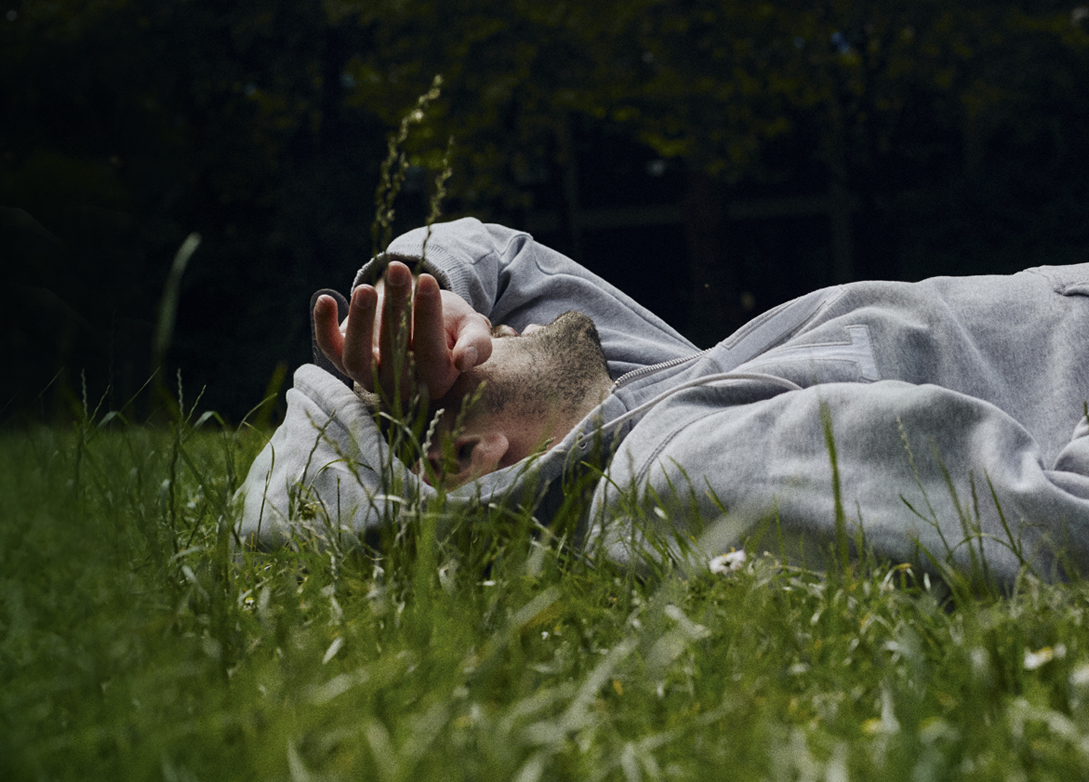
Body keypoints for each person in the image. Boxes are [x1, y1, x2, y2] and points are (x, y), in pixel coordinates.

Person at [236, 218, 1089, 589]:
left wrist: (422, 292)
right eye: (425, 380)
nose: (492, 319)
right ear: (463, 459)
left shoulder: (640, 391)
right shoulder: (679, 468)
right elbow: (1055, 536)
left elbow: (494, 250)